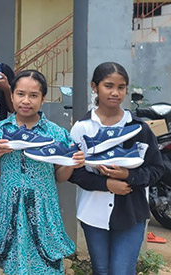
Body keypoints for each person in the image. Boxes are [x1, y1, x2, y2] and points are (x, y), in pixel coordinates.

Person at [68, 62, 164, 275]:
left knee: (122, 271)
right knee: (101, 270)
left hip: (132, 212)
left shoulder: (139, 128)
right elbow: (74, 172)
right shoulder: (82, 128)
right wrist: (107, 184)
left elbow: (156, 169)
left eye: (121, 87)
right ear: (95, 87)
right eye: (108, 86)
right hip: (93, 212)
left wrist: (129, 176)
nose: (115, 92)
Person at [0, 70, 83, 274]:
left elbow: (60, 177)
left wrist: (72, 163)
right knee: (11, 265)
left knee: (45, 265)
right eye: (20, 94)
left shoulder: (55, 133)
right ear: (11, 95)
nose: (26, 101)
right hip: (8, 206)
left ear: (43, 98)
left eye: (33, 95)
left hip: (43, 206)